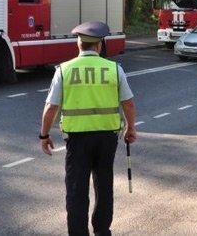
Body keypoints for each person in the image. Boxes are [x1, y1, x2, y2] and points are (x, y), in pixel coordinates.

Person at [39, 21, 138, 236]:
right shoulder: (114, 69)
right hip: (107, 139)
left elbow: (51, 107)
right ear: (100, 45)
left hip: (77, 140)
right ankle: (102, 230)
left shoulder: (64, 70)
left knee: (76, 189)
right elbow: (128, 103)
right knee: (104, 184)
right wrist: (130, 129)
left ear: (78, 43)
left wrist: (44, 135)